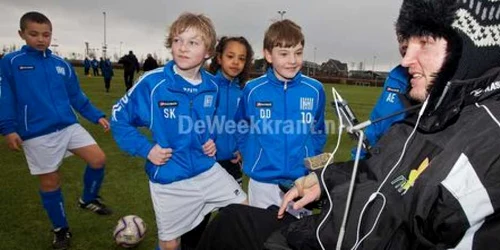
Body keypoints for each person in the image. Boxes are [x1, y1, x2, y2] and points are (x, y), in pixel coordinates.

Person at [196, 0, 500, 249]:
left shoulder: (485, 142)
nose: (406, 59)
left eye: (424, 43)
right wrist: (326, 178)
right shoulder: (424, 114)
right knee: (230, 222)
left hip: (327, 225)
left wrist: (311, 164)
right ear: (268, 55)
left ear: (470, 48)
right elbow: (379, 173)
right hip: (301, 204)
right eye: (406, 44)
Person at [110, 12, 247, 250]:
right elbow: (118, 119)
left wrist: (209, 140)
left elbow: (207, 120)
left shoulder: (211, 85)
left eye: (192, 42)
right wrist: (147, 149)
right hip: (169, 178)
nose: (182, 48)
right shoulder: (153, 84)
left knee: (245, 208)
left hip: (206, 169)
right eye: (177, 40)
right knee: (171, 245)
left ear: (207, 52)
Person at [0, 12, 112, 250]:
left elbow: (76, 97)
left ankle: (88, 198)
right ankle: (61, 229)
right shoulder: (11, 62)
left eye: (46, 34)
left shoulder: (61, 64)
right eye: (34, 34)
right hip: (36, 132)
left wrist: (96, 115)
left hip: (68, 125)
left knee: (98, 159)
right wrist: (8, 128)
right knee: (51, 182)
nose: (41, 39)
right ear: (21, 34)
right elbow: (5, 97)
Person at [234, 19, 326, 218]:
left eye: (298, 53)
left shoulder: (315, 90)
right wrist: (250, 155)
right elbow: (240, 125)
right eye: (284, 54)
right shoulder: (253, 90)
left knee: (297, 239)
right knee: (260, 238)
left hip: (301, 183)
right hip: (263, 182)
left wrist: (309, 159)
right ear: (268, 55)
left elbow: (318, 130)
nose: (292, 61)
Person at [180, 36, 254, 250]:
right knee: (196, 222)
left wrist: (241, 148)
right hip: (204, 165)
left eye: (241, 58)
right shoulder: (206, 86)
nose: (235, 62)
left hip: (231, 165)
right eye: (230, 56)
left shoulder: (243, 92)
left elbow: (244, 126)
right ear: (219, 58)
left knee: (232, 219)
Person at [350, 39, 410, 159]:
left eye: (410, 37)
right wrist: (358, 158)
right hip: (381, 164)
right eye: (401, 38)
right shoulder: (395, 77)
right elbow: (377, 123)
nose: (404, 44)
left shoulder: (442, 85)